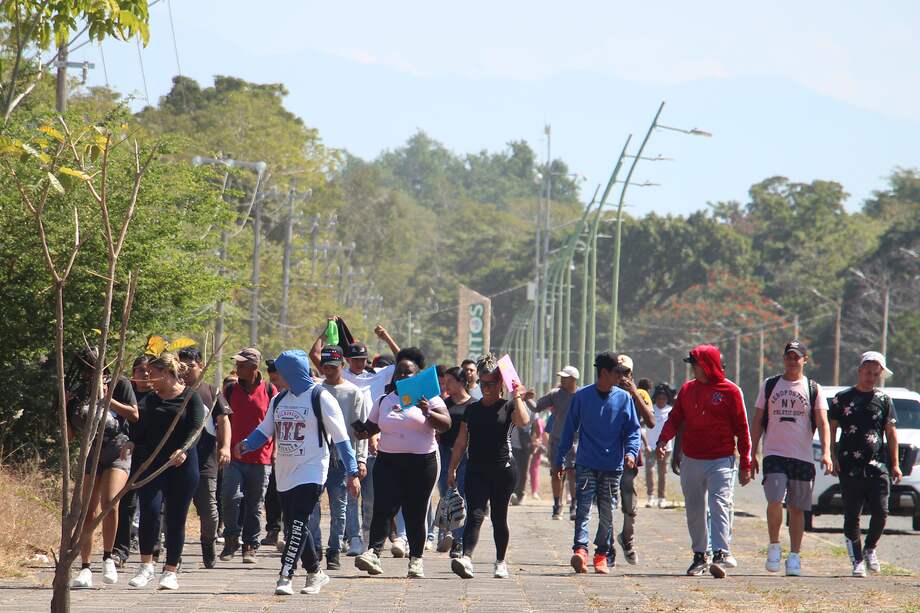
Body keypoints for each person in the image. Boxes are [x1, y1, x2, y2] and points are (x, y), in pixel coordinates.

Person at [234, 349, 361, 596]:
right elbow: (264, 430)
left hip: (312, 470)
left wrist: (352, 472)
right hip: (285, 473)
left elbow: (342, 439)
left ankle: (285, 576)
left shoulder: (320, 397)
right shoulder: (279, 400)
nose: (275, 377)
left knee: (297, 522)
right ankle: (315, 572)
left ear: (292, 372)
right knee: (295, 525)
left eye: (280, 372)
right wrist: (247, 443)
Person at [354, 347, 451, 579]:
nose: (403, 376)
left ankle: (416, 559)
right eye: (399, 372)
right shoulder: (385, 400)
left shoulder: (431, 399)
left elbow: (446, 424)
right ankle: (373, 554)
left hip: (422, 463)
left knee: (414, 511)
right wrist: (361, 431)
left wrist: (427, 411)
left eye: (408, 373)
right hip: (388, 461)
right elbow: (372, 427)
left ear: (417, 375)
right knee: (383, 508)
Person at [656, 344, 752, 579]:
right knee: (695, 509)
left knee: (720, 503)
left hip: (721, 458)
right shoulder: (687, 390)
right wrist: (662, 441)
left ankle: (721, 552)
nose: (693, 370)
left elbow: (742, 428)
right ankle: (700, 554)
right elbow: (675, 419)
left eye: (696, 365)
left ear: (708, 365)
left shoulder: (731, 391)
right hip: (692, 458)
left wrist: (747, 462)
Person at [749, 340, 831, 576]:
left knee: (797, 508)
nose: (792, 360)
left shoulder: (813, 388)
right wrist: (752, 451)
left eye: (797, 356)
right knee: (774, 498)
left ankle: (794, 555)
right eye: (789, 356)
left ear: (804, 360)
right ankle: (774, 545)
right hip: (775, 452)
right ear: (784, 358)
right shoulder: (770, 385)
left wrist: (826, 453)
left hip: (802, 456)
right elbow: (757, 421)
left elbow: (823, 423)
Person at [125, 352, 206, 591]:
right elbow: (138, 428)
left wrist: (183, 449)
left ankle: (171, 570)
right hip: (153, 465)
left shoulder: (191, 397)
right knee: (149, 512)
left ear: (168, 374)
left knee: (175, 519)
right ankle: (145, 565)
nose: (150, 379)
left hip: (182, 466)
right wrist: (131, 442)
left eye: (154, 374)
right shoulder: (150, 400)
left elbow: (196, 428)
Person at [556, 352, 640, 575]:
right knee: (583, 508)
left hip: (613, 467)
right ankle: (580, 551)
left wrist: (631, 452)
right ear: (604, 373)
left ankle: (601, 554)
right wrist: (559, 459)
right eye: (617, 373)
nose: (621, 377)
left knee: (607, 512)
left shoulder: (624, 399)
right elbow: (568, 430)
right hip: (586, 464)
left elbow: (633, 430)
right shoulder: (582, 397)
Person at [448, 354, 530, 579]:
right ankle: (466, 558)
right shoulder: (472, 409)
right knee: (475, 514)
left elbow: (524, 422)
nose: (486, 388)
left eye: (491, 384)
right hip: (476, 469)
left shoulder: (508, 406)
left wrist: (518, 396)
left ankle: (501, 561)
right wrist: (452, 468)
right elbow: (461, 441)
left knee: (498, 517)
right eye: (482, 383)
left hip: (503, 470)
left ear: (500, 384)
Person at [68, 348, 139, 589]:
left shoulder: (120, 383)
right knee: (87, 508)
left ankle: (108, 557)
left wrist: (110, 399)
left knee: (110, 502)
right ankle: (85, 566)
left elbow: (134, 414)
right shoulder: (78, 391)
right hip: (90, 452)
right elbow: (70, 435)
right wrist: (65, 407)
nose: (88, 373)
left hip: (117, 450)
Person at [829, 351, 901, 577]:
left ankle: (870, 548)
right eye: (867, 372)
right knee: (852, 514)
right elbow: (830, 429)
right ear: (859, 371)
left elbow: (891, 433)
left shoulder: (883, 400)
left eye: (875, 374)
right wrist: (831, 456)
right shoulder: (842, 398)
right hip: (849, 464)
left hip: (877, 465)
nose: (870, 377)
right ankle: (857, 560)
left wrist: (895, 464)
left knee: (881, 511)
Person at [307, 345, 370, 571]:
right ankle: (314, 547)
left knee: (340, 508)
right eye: (325, 366)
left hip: (343, 457)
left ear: (342, 366)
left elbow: (360, 431)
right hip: (317, 455)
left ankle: (334, 550)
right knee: (313, 506)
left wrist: (360, 460)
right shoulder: (315, 390)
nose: (329, 371)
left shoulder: (353, 392)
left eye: (334, 366)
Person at [220, 347, 276, 564]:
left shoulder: (271, 391)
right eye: (237, 364)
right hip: (234, 457)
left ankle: (250, 545)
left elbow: (277, 423)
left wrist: (276, 451)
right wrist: (223, 447)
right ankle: (231, 539)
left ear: (254, 367)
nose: (237, 368)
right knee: (230, 497)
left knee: (254, 504)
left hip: (261, 457)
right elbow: (222, 420)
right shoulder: (230, 390)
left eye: (242, 365)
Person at [178, 347, 232, 569]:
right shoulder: (173, 391)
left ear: (201, 365)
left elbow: (223, 421)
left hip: (205, 461)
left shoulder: (212, 391)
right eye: (181, 367)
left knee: (209, 511)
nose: (186, 371)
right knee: (175, 510)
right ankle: (174, 553)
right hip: (178, 461)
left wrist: (225, 446)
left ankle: (208, 544)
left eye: (190, 366)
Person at [613, 358, 655, 567]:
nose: (621, 377)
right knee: (607, 502)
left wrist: (635, 394)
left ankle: (627, 539)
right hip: (606, 453)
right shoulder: (606, 391)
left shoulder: (641, 394)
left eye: (625, 372)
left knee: (629, 503)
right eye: (617, 372)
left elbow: (650, 421)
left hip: (629, 454)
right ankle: (605, 546)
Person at [112, 356, 152, 568]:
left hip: (151, 454)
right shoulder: (126, 394)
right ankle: (120, 550)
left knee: (152, 503)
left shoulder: (158, 396)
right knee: (126, 503)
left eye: (148, 370)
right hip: (126, 455)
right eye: (140, 371)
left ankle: (153, 545)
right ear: (132, 374)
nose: (145, 374)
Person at [436, 366, 474, 557]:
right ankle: (445, 534)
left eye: (450, 381)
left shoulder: (474, 405)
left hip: (467, 456)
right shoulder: (443, 404)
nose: (446, 385)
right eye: (444, 382)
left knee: (461, 499)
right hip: (444, 454)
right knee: (446, 495)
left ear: (461, 382)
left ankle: (458, 541)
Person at [534, 366, 580, 520]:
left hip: (575, 440)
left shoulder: (582, 395)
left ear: (573, 380)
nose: (561, 379)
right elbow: (536, 407)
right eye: (561, 377)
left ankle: (574, 505)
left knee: (573, 473)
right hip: (557, 440)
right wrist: (525, 397)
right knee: (557, 473)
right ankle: (557, 505)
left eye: (565, 377)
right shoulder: (555, 394)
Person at [261, 359, 286, 552]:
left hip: (281, 452)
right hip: (266, 453)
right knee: (271, 494)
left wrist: (276, 448)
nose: (275, 383)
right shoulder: (274, 394)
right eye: (273, 379)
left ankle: (288, 531)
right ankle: (273, 529)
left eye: (278, 379)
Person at [644, 383, 674, 509]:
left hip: (665, 448)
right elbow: (643, 427)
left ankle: (662, 497)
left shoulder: (670, 410)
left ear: (667, 399)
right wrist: (645, 444)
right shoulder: (650, 409)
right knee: (650, 471)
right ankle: (651, 497)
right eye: (659, 398)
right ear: (655, 398)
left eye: (664, 398)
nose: (661, 401)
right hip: (651, 446)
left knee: (663, 473)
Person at [528, 413, 546, 499]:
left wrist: (535, 448)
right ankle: (533, 491)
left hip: (536, 448)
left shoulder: (538, 422)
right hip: (530, 446)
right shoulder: (536, 422)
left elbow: (540, 436)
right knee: (531, 470)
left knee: (533, 470)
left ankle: (534, 491)